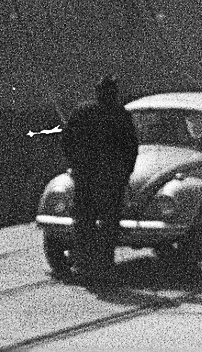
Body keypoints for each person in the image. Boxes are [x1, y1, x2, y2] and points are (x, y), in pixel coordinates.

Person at [61, 75, 139, 278]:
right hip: (112, 178)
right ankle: (105, 265)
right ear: (114, 93)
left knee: (84, 221)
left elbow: (67, 141)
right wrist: (125, 173)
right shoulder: (120, 114)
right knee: (109, 223)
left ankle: (82, 264)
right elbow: (131, 147)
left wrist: (76, 165)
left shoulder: (82, 112)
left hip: (86, 176)